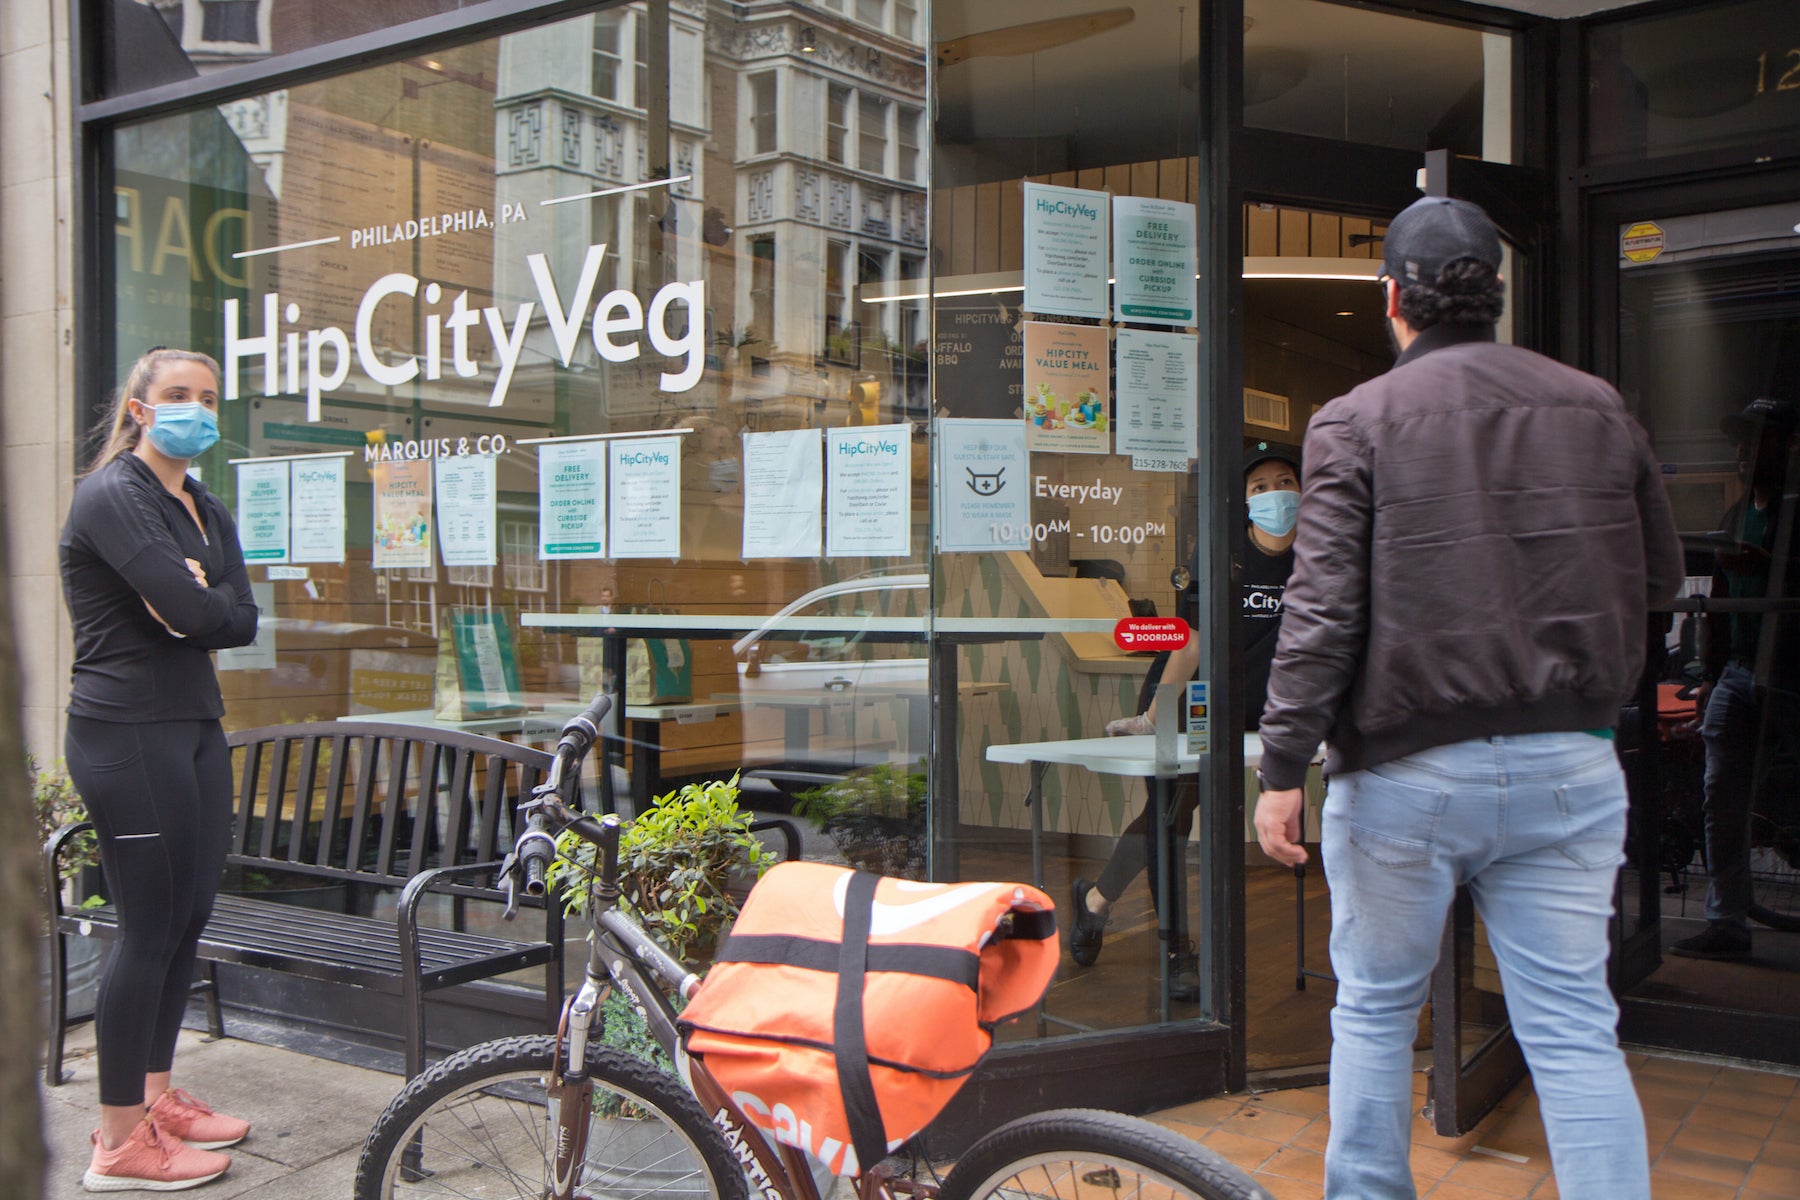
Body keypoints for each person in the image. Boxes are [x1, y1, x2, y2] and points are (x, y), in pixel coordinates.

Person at [1252, 197, 1683, 1200]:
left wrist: (1281, 769)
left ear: (1392, 298)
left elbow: (1320, 616)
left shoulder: (1353, 421)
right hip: (1570, 766)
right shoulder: (1596, 405)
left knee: (1371, 1010)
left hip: (1405, 774)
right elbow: (1660, 576)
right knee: (1576, 1030)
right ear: (1495, 292)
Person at [61, 347, 260, 1191]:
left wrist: (193, 603)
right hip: (125, 730)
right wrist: (190, 604)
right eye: (177, 395)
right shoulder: (113, 496)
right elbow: (189, 608)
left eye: (208, 397)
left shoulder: (204, 505)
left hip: (193, 724)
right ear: (139, 409)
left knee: (186, 918)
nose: (196, 409)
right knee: (147, 927)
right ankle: (117, 1145)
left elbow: (237, 620)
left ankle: (152, 1096)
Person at [1070, 452, 1301, 999]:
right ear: (1244, 500)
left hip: (1259, 708)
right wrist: (1154, 718)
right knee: (1172, 816)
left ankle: (1094, 903)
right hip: (1192, 697)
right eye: (1260, 485)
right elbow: (1191, 642)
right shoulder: (1224, 553)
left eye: (1285, 482)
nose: (1275, 493)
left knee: (1165, 816)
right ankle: (1178, 953)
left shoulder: (1320, 556)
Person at [1670, 397, 1800, 960]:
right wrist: (1710, 678)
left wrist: (1769, 566)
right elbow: (1719, 599)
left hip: (1793, 675)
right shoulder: (1735, 513)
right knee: (1721, 797)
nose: (1745, 453)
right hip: (1740, 674)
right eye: (1742, 442)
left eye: (1759, 441)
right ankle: (1726, 923)